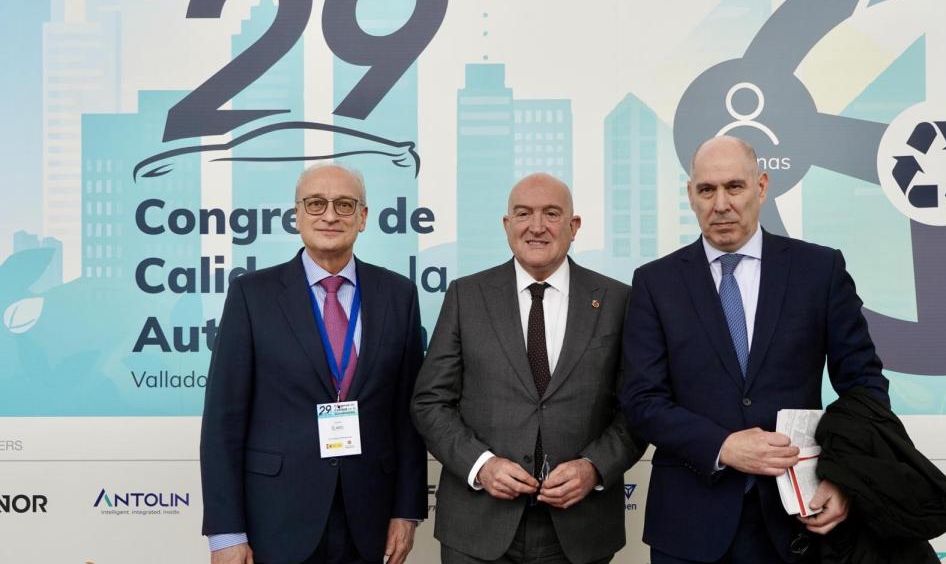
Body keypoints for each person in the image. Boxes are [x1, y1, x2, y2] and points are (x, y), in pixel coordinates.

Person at [620, 136, 890, 564]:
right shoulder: (656, 283)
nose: (721, 203)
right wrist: (723, 446)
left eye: (735, 187)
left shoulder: (820, 270)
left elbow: (864, 387)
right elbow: (641, 401)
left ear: (761, 187)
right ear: (691, 196)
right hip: (689, 527)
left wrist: (845, 479)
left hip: (797, 519)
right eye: (707, 190)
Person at [200, 163, 427, 564]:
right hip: (276, 519)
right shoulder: (251, 295)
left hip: (369, 519)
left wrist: (406, 510)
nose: (329, 215)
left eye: (344, 204)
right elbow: (224, 422)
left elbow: (408, 416)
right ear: (297, 215)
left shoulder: (399, 295)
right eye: (316, 203)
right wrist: (226, 533)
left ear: (363, 217)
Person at [412, 173, 644, 564]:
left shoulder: (619, 300)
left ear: (574, 226)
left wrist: (594, 468)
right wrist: (481, 465)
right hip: (477, 527)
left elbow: (638, 408)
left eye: (551, 214)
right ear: (507, 225)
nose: (536, 226)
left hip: (579, 531)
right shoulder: (466, 296)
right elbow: (430, 402)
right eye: (523, 214)